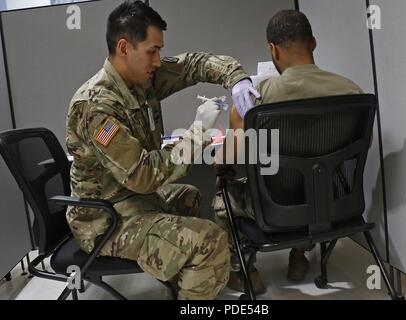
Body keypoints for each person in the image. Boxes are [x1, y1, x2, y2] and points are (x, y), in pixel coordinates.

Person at [65, 0, 260, 300]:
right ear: (124, 48)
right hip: (104, 220)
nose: (158, 60)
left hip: (132, 201)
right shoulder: (97, 105)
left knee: (190, 197)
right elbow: (141, 175)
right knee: (211, 241)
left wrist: (237, 78)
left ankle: (187, 286)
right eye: (152, 51)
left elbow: (193, 65)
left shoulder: (140, 80)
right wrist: (197, 134)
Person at [213, 9, 364, 294]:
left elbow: (229, 159)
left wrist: (221, 168)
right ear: (314, 43)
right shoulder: (352, 91)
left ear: (273, 48)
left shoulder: (256, 99)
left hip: (275, 209)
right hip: (333, 204)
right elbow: (361, 147)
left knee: (223, 198)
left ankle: (245, 271)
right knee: (308, 182)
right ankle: (299, 256)